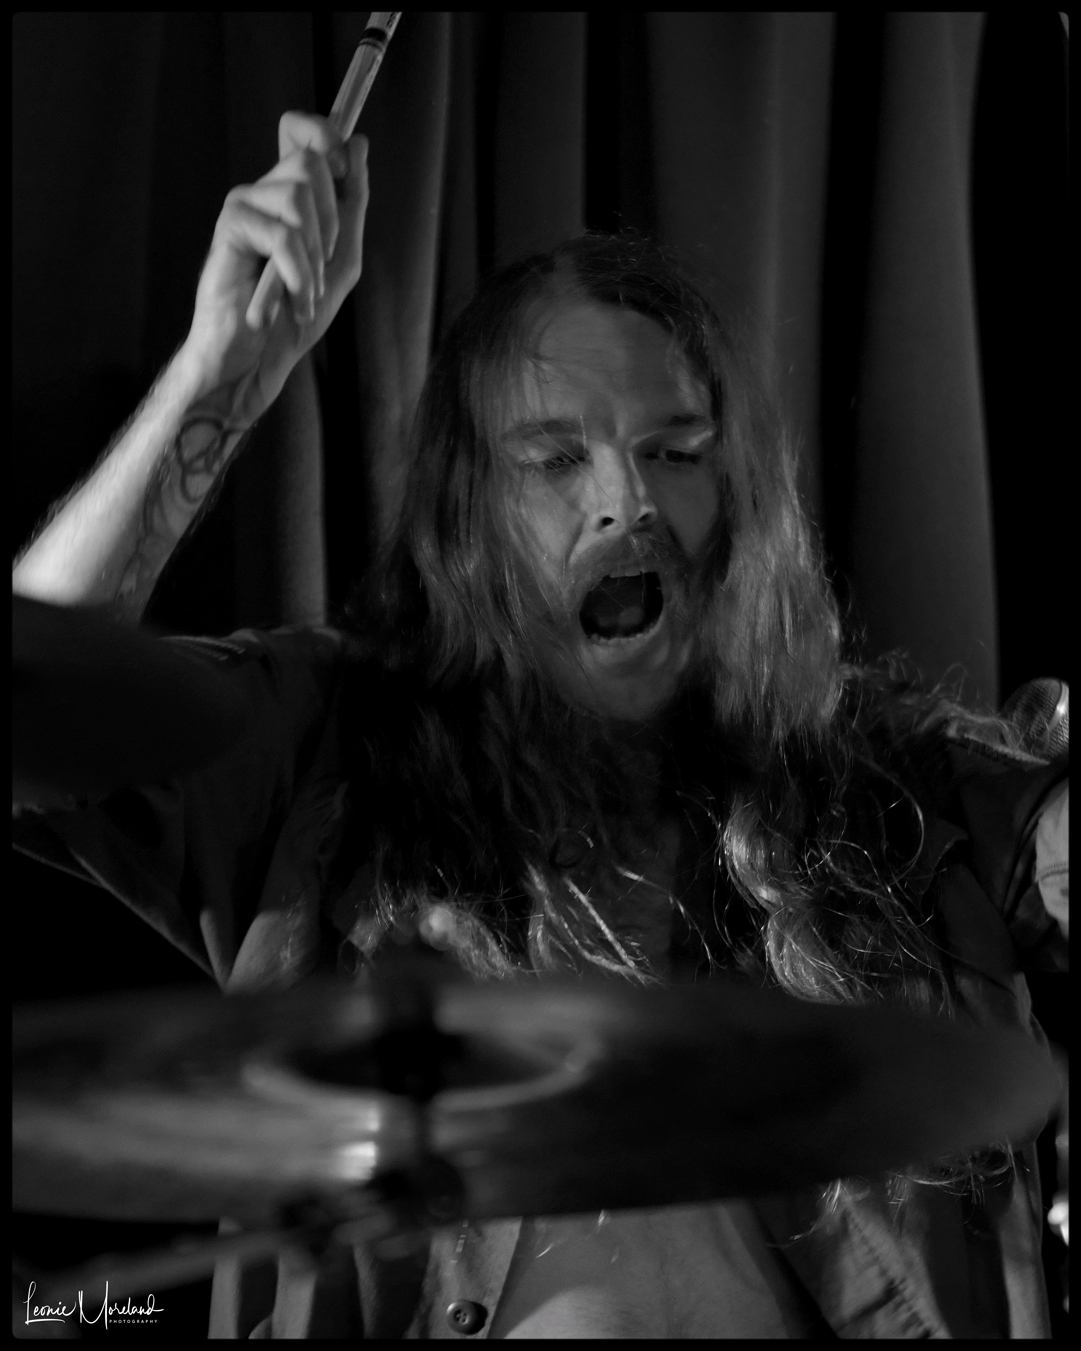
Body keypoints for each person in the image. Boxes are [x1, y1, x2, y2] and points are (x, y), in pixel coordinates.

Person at [12, 112, 1068, 1339]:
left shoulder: (890, 792)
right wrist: (222, 377)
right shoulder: (328, 757)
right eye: (556, 459)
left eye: (675, 451)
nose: (628, 502)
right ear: (471, 512)